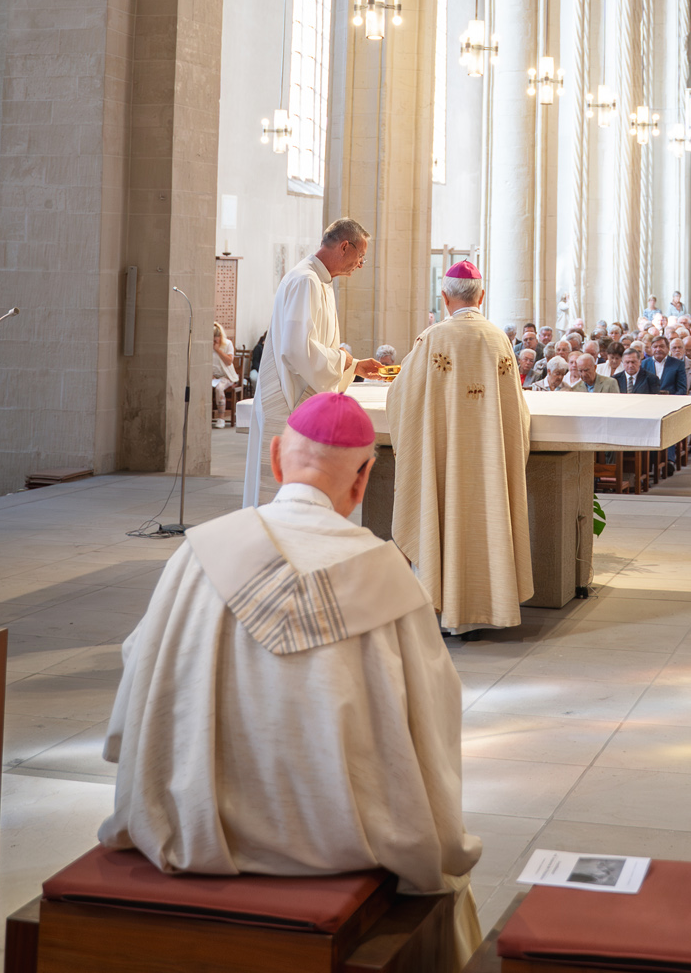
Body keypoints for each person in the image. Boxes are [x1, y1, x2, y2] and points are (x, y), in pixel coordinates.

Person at [100, 391, 482, 966]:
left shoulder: (200, 553)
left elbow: (140, 676)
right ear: (363, 481)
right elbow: (431, 718)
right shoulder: (387, 576)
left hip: (193, 833)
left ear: (276, 458)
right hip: (350, 846)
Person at [387, 261, 532, 636]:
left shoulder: (433, 338)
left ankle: (443, 608)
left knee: (440, 515)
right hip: (488, 461)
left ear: (445, 296)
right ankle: (490, 607)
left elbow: (401, 396)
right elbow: (517, 411)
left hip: (443, 458)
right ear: (481, 296)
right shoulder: (499, 338)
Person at [243, 219, 380, 506]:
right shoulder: (306, 280)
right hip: (288, 400)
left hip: (296, 394)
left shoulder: (318, 280)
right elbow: (297, 350)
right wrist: (345, 359)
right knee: (279, 497)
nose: (361, 264)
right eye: (361, 256)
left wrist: (353, 366)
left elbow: (311, 347)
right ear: (345, 246)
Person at [211, 321, 238, 428]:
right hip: (212, 376)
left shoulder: (227, 344)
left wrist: (218, 350)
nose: (213, 341)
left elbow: (229, 361)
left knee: (219, 388)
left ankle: (221, 418)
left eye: (215, 338)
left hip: (226, 376)